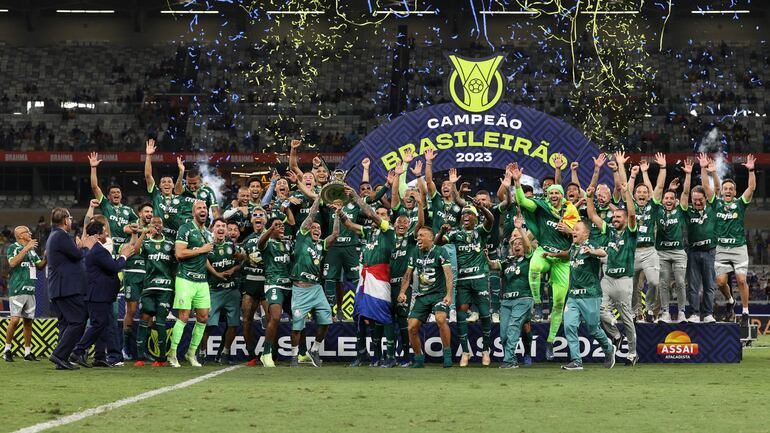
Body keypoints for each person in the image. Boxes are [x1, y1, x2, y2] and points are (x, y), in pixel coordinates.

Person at [512, 162, 581, 360]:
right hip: (544, 251)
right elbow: (524, 203)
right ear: (547, 195)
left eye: (556, 193)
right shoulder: (542, 206)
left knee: (559, 304)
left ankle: (550, 341)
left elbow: (579, 234)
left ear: (562, 195)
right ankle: (536, 303)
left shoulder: (571, 211)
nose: (553, 195)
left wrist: (568, 230)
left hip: (562, 259)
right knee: (533, 268)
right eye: (550, 193)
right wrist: (517, 184)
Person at [544, 221, 615, 371]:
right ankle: (576, 360)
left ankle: (608, 348)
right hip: (573, 296)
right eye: (573, 230)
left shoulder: (591, 244)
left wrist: (592, 252)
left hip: (590, 294)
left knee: (593, 329)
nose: (573, 232)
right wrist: (552, 254)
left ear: (586, 234)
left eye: (577, 230)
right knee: (569, 325)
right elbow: (567, 255)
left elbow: (604, 252)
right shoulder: (574, 248)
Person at [341, 186, 397, 368]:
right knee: (359, 315)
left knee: (383, 317)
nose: (379, 215)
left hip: (380, 278)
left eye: (383, 213)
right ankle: (363, 354)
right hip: (364, 278)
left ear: (388, 218)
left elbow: (372, 216)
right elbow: (349, 225)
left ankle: (389, 356)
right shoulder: (369, 231)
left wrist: (357, 198)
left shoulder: (389, 231)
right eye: (378, 212)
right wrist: (340, 212)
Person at [436, 198, 495, 367]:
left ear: (476, 217)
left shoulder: (480, 231)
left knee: (484, 313)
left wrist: (481, 207)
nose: (466, 215)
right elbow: (437, 243)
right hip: (462, 280)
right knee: (461, 313)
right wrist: (441, 231)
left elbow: (491, 219)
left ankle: (485, 351)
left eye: (469, 213)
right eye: (463, 214)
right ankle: (465, 352)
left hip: (480, 279)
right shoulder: (455, 233)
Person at [70, 220, 136, 368]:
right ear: (98, 235)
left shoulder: (96, 250)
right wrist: (124, 256)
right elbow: (114, 267)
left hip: (100, 294)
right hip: (98, 295)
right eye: (104, 231)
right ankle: (78, 351)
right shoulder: (99, 250)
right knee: (98, 324)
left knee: (101, 325)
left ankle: (97, 355)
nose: (107, 233)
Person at [587, 180, 638, 366]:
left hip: (624, 280)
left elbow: (632, 214)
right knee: (599, 310)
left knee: (627, 318)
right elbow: (592, 215)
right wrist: (589, 197)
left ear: (624, 220)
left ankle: (632, 353)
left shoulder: (631, 233)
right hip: (608, 279)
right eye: (613, 217)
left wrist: (627, 195)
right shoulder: (608, 231)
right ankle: (616, 336)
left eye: (618, 217)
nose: (614, 219)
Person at [289, 194, 339, 367]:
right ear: (308, 228)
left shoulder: (322, 245)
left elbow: (335, 234)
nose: (317, 229)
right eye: (314, 227)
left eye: (319, 228)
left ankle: (315, 349)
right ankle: (294, 356)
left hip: (316, 289)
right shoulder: (302, 238)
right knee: (297, 327)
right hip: (300, 289)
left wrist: (338, 214)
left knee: (326, 322)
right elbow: (310, 216)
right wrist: (318, 199)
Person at [46, 207, 95, 370]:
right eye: (70, 218)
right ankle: (59, 355)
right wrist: (83, 246)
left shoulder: (54, 235)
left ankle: (62, 358)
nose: (72, 221)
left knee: (67, 323)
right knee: (78, 321)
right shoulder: (61, 235)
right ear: (65, 220)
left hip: (59, 288)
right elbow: (77, 255)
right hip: (66, 288)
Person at [399, 226, 454, 368]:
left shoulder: (441, 251)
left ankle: (447, 356)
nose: (418, 238)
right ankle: (418, 359)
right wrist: (402, 292)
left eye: (422, 235)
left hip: (438, 295)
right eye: (417, 236)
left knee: (440, 318)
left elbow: (448, 274)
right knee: (411, 327)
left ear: (431, 237)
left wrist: (448, 294)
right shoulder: (414, 252)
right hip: (422, 296)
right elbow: (407, 275)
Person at [168, 200, 214, 367]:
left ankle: (191, 354)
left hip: (202, 281)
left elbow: (205, 258)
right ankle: (172, 354)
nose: (203, 210)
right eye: (199, 208)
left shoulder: (209, 234)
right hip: (185, 278)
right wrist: (201, 249)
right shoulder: (185, 229)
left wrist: (215, 272)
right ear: (193, 212)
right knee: (184, 317)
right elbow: (179, 253)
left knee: (203, 318)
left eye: (205, 208)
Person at [714, 154, 756, 326]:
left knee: (741, 280)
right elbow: (710, 189)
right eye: (726, 188)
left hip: (739, 248)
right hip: (721, 248)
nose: (729, 191)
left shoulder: (740, 203)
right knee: (721, 282)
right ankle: (730, 300)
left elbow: (751, 188)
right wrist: (711, 172)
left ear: (735, 192)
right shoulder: (715, 203)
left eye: (731, 188)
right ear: (722, 191)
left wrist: (751, 170)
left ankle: (745, 312)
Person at [487, 216, 534, 369]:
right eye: (514, 244)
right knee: (503, 335)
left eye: (520, 243)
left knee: (514, 327)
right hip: (506, 301)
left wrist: (520, 230)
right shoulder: (506, 261)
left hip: (523, 299)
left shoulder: (530, 258)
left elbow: (528, 246)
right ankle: (511, 358)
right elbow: (493, 265)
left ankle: (509, 361)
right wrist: (485, 256)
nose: (517, 245)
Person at [651, 153, 688, 323]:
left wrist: (687, 174)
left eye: (671, 198)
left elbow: (686, 192)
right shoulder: (657, 209)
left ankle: (681, 312)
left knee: (680, 282)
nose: (668, 200)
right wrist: (663, 168)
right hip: (662, 253)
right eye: (666, 198)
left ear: (675, 201)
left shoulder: (680, 210)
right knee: (663, 284)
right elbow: (658, 190)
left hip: (679, 251)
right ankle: (665, 312)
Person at [134, 216, 176, 367]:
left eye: (160, 223)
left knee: (160, 321)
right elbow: (135, 250)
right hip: (149, 287)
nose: (157, 225)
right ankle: (140, 357)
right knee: (145, 317)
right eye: (154, 223)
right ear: (150, 225)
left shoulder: (170, 242)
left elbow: (177, 260)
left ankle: (161, 358)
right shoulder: (146, 242)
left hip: (165, 287)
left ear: (163, 226)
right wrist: (144, 233)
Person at [202, 218, 244, 365]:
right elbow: (203, 261)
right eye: (218, 226)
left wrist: (234, 268)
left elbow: (242, 260)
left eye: (223, 226)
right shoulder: (207, 246)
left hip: (231, 290)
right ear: (212, 229)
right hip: (214, 291)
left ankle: (224, 354)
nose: (221, 229)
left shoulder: (231, 246)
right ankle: (202, 354)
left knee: (233, 324)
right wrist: (216, 274)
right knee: (209, 324)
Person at [683, 153, 720, 323]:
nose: (697, 202)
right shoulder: (688, 211)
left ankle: (708, 314)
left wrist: (704, 169)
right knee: (692, 286)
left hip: (709, 252)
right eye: (694, 200)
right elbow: (684, 193)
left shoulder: (712, 206)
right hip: (693, 251)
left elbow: (706, 186)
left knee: (709, 286)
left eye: (699, 199)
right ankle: (695, 313)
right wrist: (689, 175)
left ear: (705, 198)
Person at [4, 226, 47, 362]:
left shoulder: (32, 250)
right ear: (20, 235)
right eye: (27, 232)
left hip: (30, 289)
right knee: (15, 320)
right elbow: (12, 263)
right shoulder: (13, 247)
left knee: (28, 322)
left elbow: (39, 266)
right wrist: (26, 248)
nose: (30, 233)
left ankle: (27, 352)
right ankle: (7, 350)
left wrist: (47, 256)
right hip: (17, 288)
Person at [258, 218, 294, 368]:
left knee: (299, 316)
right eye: (277, 226)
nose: (281, 228)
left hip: (289, 285)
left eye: (282, 226)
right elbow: (259, 243)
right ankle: (266, 354)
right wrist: (270, 229)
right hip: (274, 284)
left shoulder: (287, 243)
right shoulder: (267, 243)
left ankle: (302, 352)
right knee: (276, 316)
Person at [121, 202, 153, 360]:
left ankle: (143, 349)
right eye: (146, 211)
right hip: (133, 272)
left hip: (148, 274)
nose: (149, 213)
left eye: (151, 211)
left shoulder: (154, 229)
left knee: (148, 312)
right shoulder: (133, 225)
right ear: (140, 213)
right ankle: (124, 348)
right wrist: (144, 231)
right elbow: (127, 231)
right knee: (131, 310)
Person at [630, 159, 660, 322]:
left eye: (644, 192)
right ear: (634, 195)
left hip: (649, 250)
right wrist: (633, 176)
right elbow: (627, 190)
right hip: (633, 251)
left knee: (654, 282)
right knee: (633, 287)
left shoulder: (652, 206)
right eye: (638, 192)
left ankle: (649, 309)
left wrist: (645, 173)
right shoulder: (630, 206)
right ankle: (636, 312)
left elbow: (654, 191)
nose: (642, 194)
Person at [144, 138, 185, 238]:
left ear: (173, 185)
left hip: (175, 238)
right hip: (157, 236)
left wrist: (181, 173)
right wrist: (148, 156)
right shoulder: (156, 194)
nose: (166, 184)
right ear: (160, 186)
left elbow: (179, 189)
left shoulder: (179, 199)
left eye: (169, 182)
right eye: (163, 182)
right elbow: (148, 176)